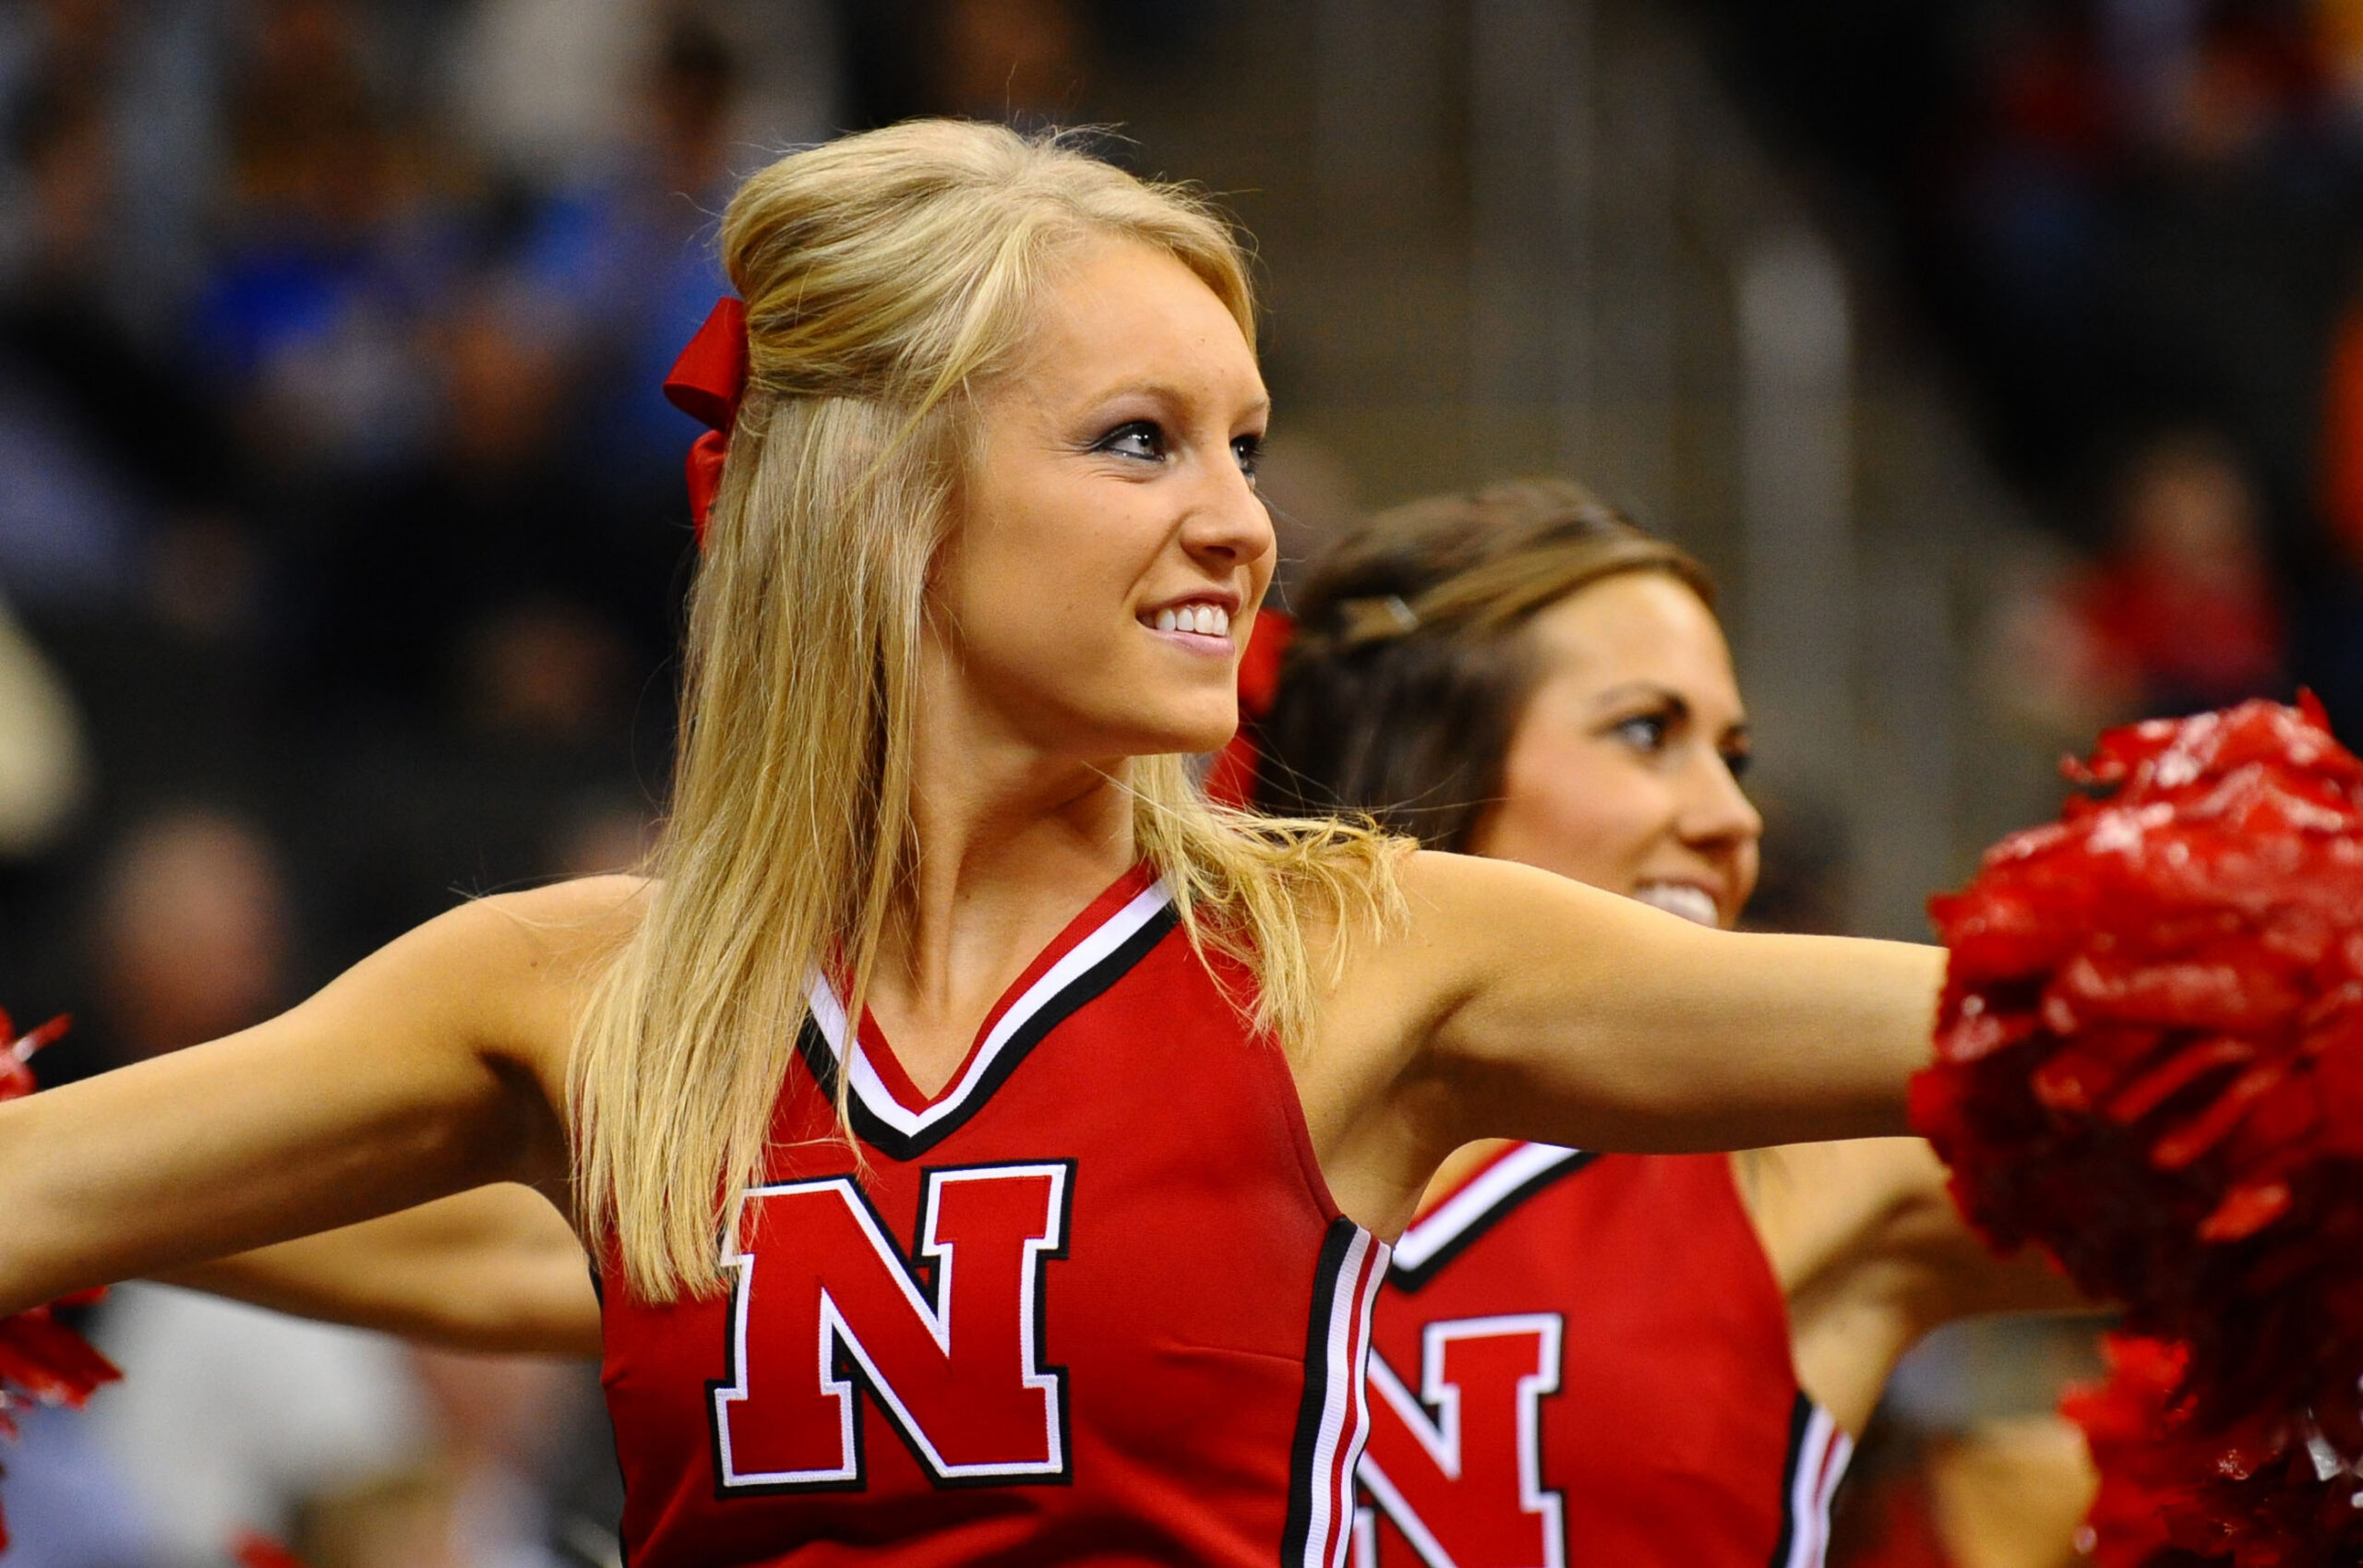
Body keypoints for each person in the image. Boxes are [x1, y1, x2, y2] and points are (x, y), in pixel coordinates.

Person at [0, 122, 1945, 1568]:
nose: (1239, 523)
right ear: (887, 502)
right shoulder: (577, 998)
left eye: (1242, 444)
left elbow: (2020, 1021)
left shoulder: (1354, 950)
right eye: (1136, 440)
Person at [1246, 480, 2091, 1568]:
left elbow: (2283, 1187)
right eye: (1646, 733)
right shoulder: (1204, 1124)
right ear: (1431, 762)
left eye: (1732, 760)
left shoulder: (1804, 1171)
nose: (1732, 819)